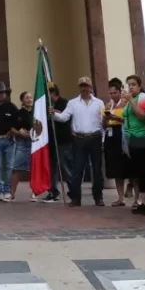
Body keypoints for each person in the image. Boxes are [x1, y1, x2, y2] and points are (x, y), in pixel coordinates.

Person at [53, 77, 106, 207]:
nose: (84, 89)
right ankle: (76, 198)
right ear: (79, 88)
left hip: (95, 138)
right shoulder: (72, 103)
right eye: (82, 86)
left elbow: (103, 121)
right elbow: (64, 117)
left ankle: (98, 197)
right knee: (77, 170)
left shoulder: (99, 103)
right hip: (79, 139)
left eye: (86, 86)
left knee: (97, 170)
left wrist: (103, 139)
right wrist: (53, 114)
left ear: (90, 87)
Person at [122, 74, 145, 213]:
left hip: (143, 138)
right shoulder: (132, 99)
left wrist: (130, 101)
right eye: (129, 84)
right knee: (139, 172)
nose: (130, 87)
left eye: (133, 84)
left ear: (140, 86)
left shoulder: (143, 98)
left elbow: (142, 116)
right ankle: (144, 202)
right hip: (133, 140)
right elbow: (127, 118)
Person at [103, 78, 128, 206]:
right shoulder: (108, 105)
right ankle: (120, 197)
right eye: (111, 93)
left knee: (128, 168)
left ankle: (137, 198)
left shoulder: (126, 104)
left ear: (120, 92)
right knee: (116, 169)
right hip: (111, 135)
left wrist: (116, 117)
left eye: (115, 93)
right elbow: (103, 125)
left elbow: (129, 120)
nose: (113, 95)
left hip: (122, 135)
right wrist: (105, 118)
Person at [46, 81, 70, 202]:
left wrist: (54, 111)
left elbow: (66, 116)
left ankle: (73, 191)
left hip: (63, 140)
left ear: (54, 92)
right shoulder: (46, 104)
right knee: (52, 167)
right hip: (50, 140)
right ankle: (53, 191)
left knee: (65, 167)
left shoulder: (64, 102)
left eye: (48, 92)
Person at [9, 91, 34, 201]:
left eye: (30, 97)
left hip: (35, 142)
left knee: (34, 169)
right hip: (21, 143)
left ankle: (35, 193)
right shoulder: (18, 113)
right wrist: (19, 133)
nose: (29, 99)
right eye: (26, 98)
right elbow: (12, 128)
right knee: (16, 169)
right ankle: (12, 193)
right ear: (22, 100)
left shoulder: (36, 112)